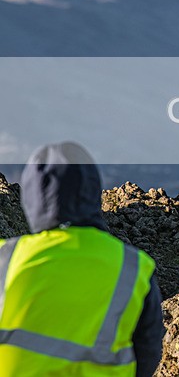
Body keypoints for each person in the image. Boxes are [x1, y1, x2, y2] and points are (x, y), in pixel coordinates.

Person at [0, 142, 164, 377]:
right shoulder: (133, 266)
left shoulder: (6, 258)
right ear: (92, 190)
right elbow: (147, 352)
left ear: (31, 198)